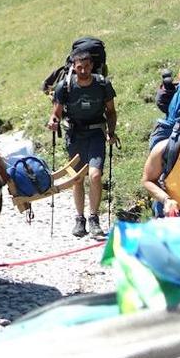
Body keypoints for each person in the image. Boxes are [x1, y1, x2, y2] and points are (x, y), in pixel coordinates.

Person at [47, 50, 118, 238]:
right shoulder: (65, 86)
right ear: (74, 67)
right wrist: (53, 121)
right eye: (80, 67)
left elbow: (111, 112)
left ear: (92, 66)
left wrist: (111, 132)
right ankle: (80, 219)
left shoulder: (102, 85)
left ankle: (94, 218)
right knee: (77, 178)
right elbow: (57, 112)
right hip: (75, 134)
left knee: (95, 176)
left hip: (96, 133)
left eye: (87, 66)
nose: (84, 70)